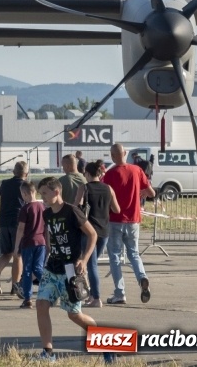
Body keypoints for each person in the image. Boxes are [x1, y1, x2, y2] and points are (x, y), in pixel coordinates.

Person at [34, 176, 98, 362]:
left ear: (57, 191)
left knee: (74, 314)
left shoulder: (72, 211)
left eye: (45, 193)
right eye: (41, 194)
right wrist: (48, 249)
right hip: (51, 268)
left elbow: (92, 234)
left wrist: (84, 260)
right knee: (41, 304)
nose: (42, 197)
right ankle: (48, 352)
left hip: (70, 271)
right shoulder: (47, 214)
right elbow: (49, 234)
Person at [103, 143, 155, 305]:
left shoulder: (110, 174)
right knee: (134, 253)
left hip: (115, 219)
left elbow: (105, 196)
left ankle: (120, 292)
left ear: (112, 156)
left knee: (115, 257)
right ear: (125, 153)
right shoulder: (137, 170)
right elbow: (152, 192)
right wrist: (143, 192)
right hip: (133, 219)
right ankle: (142, 278)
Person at [73, 160, 120, 308]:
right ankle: (92, 294)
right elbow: (117, 209)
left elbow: (76, 207)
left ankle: (96, 297)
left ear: (87, 173)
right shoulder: (109, 189)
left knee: (91, 264)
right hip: (104, 231)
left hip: (88, 231)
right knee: (92, 263)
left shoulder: (84, 188)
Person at [0, 161, 27, 297]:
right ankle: (15, 286)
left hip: (4, 221)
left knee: (7, 253)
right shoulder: (25, 186)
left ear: (13, 172)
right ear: (26, 174)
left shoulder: (4, 184)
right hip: (18, 222)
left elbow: (1, 199)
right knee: (18, 255)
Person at [13, 181, 46, 309]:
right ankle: (51, 288)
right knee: (38, 268)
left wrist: (16, 246)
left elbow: (21, 229)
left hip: (28, 242)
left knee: (27, 271)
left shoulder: (25, 209)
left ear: (25, 193)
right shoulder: (43, 207)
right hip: (41, 242)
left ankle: (27, 298)